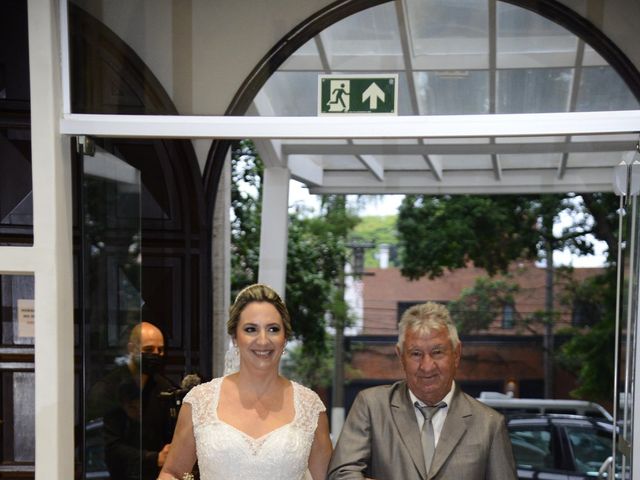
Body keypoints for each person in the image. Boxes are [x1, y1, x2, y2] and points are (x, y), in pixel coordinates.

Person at [158, 283, 333, 480]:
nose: (263, 340)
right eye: (251, 329)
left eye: (273, 329)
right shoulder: (200, 401)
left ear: (284, 338)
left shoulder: (310, 407)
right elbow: (172, 473)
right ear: (234, 337)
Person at [328, 302, 517, 480]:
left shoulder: (489, 425)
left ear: (456, 354)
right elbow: (341, 474)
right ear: (401, 357)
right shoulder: (371, 407)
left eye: (437, 352)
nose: (427, 366)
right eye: (416, 354)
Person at [88, 321, 175, 480]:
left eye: (160, 350)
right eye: (149, 349)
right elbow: (108, 445)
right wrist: (154, 458)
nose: (156, 354)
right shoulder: (109, 388)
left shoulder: (164, 387)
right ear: (131, 349)